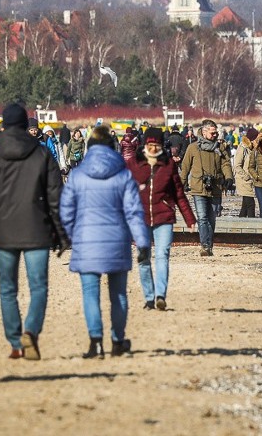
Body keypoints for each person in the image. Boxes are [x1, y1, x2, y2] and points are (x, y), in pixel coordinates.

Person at [0, 104, 70, 360]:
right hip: (37, 229)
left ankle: (16, 342)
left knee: (8, 289)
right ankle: (32, 332)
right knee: (38, 287)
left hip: (4, 231)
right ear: (27, 126)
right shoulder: (41, 154)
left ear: (4, 125)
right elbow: (55, 198)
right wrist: (60, 232)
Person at [61, 126, 150, 358]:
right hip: (117, 240)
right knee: (118, 294)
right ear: (112, 147)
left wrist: (70, 236)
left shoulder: (77, 175)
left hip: (86, 241)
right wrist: (142, 242)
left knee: (90, 294)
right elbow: (134, 212)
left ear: (89, 147)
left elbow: (66, 212)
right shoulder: (123, 175)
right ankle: (118, 341)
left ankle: (96, 342)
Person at [126, 127, 196, 311]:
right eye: (150, 145)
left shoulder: (168, 164)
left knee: (162, 255)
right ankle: (149, 297)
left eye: (156, 145)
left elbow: (179, 193)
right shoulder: (134, 163)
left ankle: (160, 296)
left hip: (164, 215)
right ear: (144, 145)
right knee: (143, 258)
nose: (152, 148)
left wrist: (189, 219)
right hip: (140, 218)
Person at [180, 119, 234, 256]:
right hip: (198, 187)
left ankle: (209, 245)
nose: (215, 135)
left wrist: (229, 178)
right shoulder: (192, 148)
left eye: (216, 133)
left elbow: (226, 164)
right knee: (202, 218)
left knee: (212, 218)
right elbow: (185, 167)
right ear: (204, 132)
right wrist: (181, 184)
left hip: (216, 187)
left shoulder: (220, 148)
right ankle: (205, 246)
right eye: (213, 132)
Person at [234, 127, 259, 217]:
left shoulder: (253, 149)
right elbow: (237, 165)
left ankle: (240, 224)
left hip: (250, 180)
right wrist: (246, 177)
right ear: (252, 139)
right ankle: (251, 226)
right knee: (250, 204)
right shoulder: (243, 148)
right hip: (243, 180)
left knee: (245, 205)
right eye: (257, 138)